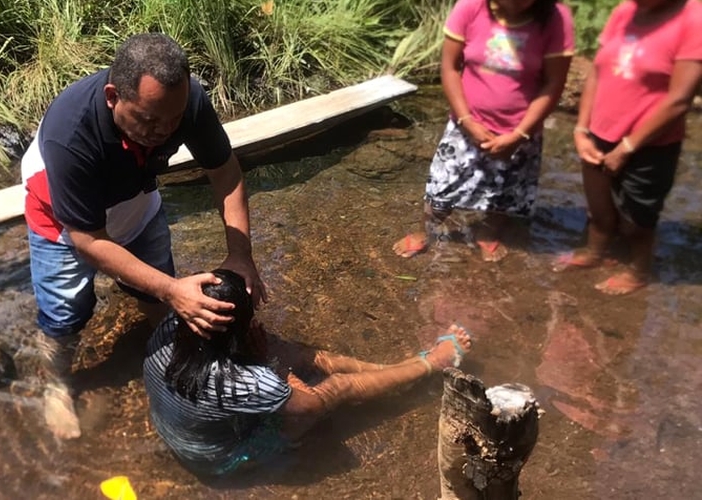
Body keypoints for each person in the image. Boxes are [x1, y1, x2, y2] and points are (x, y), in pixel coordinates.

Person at [20, 33, 267, 439]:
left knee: (159, 298)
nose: (164, 130)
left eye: (173, 120)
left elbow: (225, 173)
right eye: (150, 120)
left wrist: (241, 254)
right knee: (65, 314)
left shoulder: (184, 102)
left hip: (134, 198)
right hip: (64, 223)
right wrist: (173, 289)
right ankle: (57, 384)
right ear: (114, 96)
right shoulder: (70, 134)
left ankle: (173, 358)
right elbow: (89, 242)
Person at [142, 269, 473, 476]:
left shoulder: (171, 326)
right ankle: (431, 364)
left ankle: (399, 369)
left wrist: (271, 356)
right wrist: (270, 365)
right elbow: (311, 406)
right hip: (219, 458)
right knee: (338, 387)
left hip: (184, 431)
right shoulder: (235, 381)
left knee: (294, 352)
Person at [393, 0, 574, 262]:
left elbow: (554, 83)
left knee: (504, 189)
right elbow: (450, 67)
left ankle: (489, 231)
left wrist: (520, 134)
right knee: (441, 189)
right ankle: (426, 230)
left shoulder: (556, 17)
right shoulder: (470, 7)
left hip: (521, 130)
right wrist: (467, 121)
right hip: (465, 124)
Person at [552, 0, 702, 295]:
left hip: (650, 143)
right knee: (599, 210)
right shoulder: (625, 10)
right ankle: (595, 252)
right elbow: (597, 72)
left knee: (637, 221)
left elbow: (679, 100)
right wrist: (581, 130)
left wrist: (626, 148)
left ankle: (638, 270)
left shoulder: (694, 18)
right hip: (598, 132)